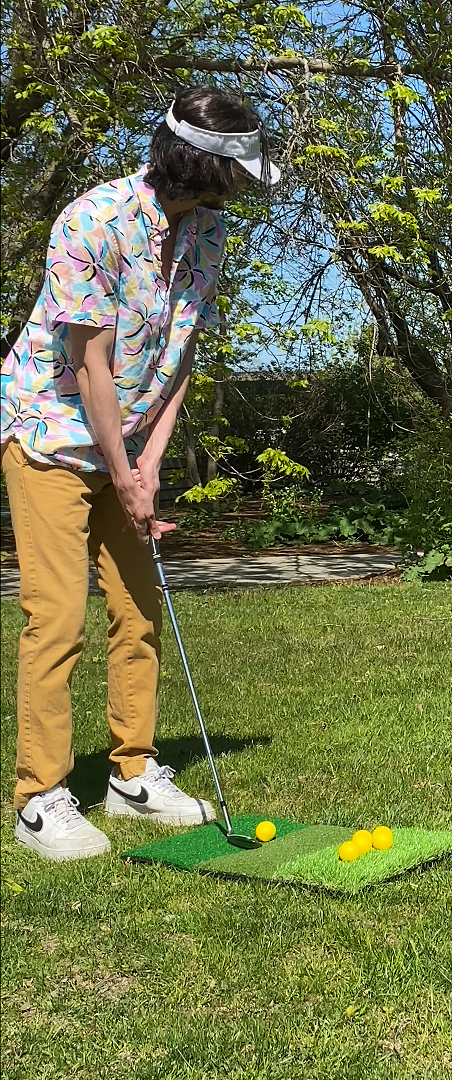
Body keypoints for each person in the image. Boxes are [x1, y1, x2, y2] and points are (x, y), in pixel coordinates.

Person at [0, 86, 280, 860]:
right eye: (236, 175)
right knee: (55, 618)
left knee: (138, 607)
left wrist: (149, 464)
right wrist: (123, 473)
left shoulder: (208, 231)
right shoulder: (91, 221)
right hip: (50, 436)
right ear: (201, 163)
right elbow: (89, 364)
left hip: (127, 444)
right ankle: (40, 798)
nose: (241, 192)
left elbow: (181, 349)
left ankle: (132, 776)